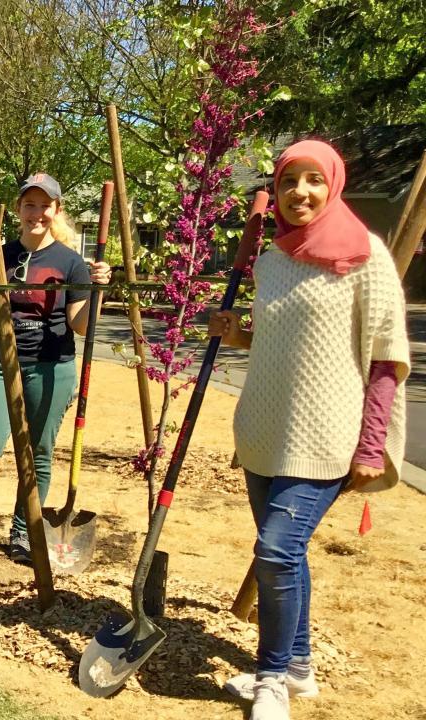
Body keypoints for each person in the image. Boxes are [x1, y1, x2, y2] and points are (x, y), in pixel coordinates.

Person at [208, 140, 409, 720]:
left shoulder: (367, 256)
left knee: (274, 552)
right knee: (286, 558)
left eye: (314, 180)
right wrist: (237, 332)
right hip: (264, 432)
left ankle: (270, 677)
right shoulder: (272, 258)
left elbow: (386, 359)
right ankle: (297, 665)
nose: (300, 192)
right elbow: (276, 341)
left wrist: (372, 444)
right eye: (289, 180)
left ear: (334, 185)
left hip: (326, 439)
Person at [0, 173, 111, 562]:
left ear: (56, 210)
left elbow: (80, 325)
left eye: (45, 205)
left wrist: (98, 291)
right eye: (30, 204)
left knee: (38, 452)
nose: (37, 213)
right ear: (18, 210)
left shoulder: (71, 263)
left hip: (51, 367)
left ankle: (24, 533)